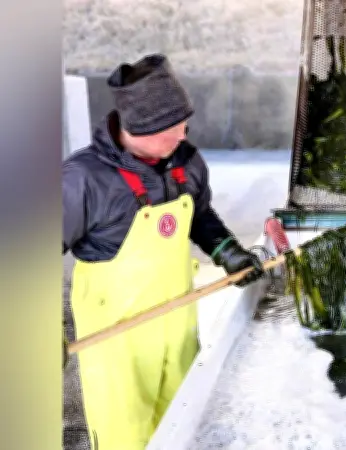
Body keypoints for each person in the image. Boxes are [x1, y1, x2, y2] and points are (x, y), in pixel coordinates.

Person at [62, 54, 266, 449]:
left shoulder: (186, 162)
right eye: (173, 129)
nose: (184, 137)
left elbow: (200, 217)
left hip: (177, 322)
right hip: (115, 337)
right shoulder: (83, 179)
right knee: (127, 434)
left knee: (182, 425)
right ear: (139, 128)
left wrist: (229, 252)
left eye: (184, 125)